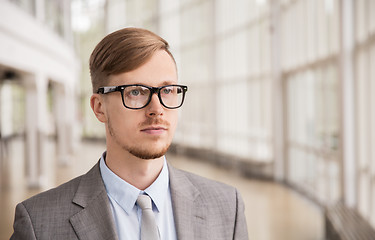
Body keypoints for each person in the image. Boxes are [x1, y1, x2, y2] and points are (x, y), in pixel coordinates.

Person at [11, 27, 249, 240]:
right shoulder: (38, 224)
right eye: (136, 92)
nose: (157, 109)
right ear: (99, 108)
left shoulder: (228, 207)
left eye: (167, 90)